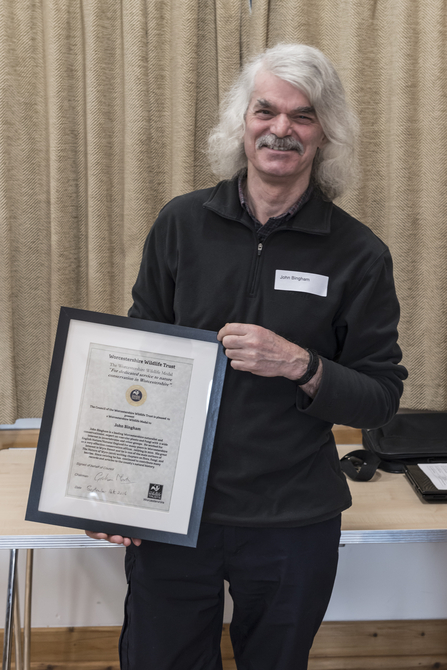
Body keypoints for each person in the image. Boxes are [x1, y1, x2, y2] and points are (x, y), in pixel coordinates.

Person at [87, 43, 407, 669]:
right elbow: (136, 362)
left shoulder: (358, 254)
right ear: (243, 121)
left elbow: (382, 395)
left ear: (325, 135)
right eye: (267, 110)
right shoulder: (180, 225)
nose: (281, 128)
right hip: (176, 512)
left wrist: (302, 365)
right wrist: (114, 491)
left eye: (303, 116)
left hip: (292, 520)